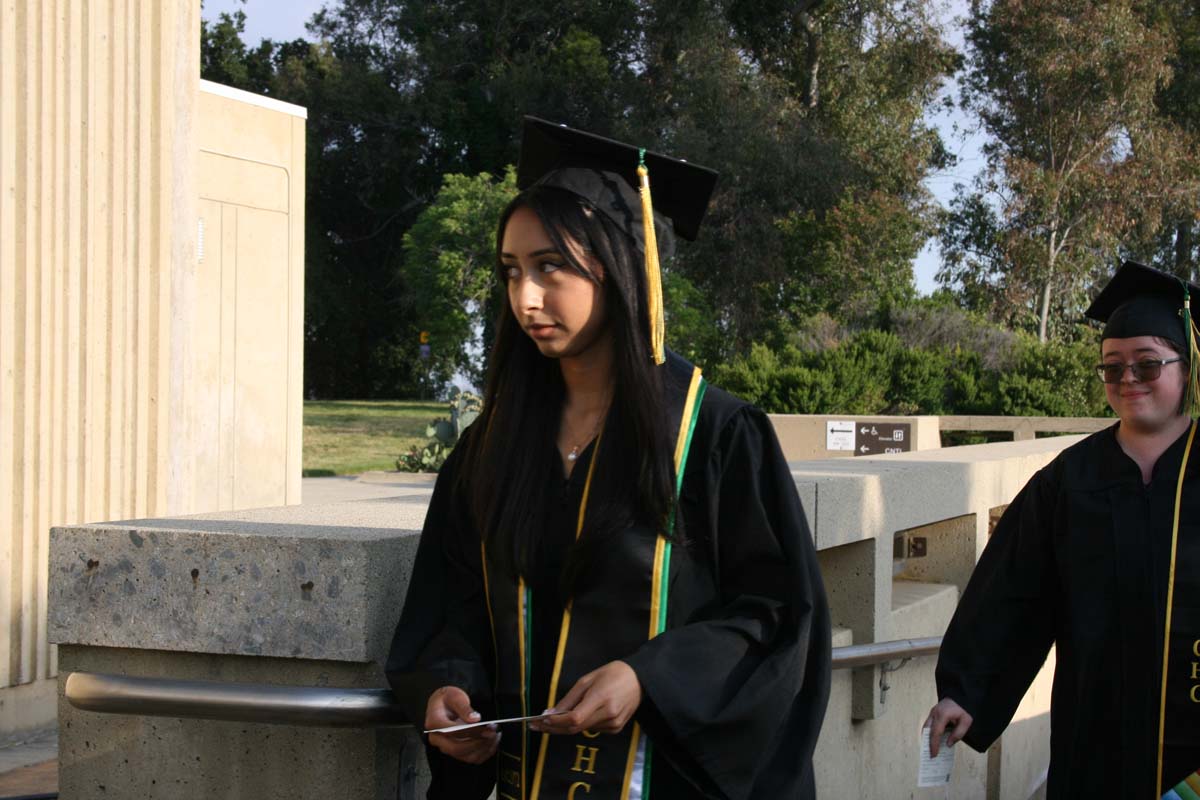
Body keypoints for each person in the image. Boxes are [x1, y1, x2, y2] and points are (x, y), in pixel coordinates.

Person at [385, 117, 832, 800]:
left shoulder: (712, 436)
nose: (525, 298)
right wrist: (446, 688)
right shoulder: (492, 447)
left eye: (549, 268)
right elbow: (453, 608)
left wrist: (648, 676)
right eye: (511, 272)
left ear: (619, 267)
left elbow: (776, 615)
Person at [926, 261, 1200, 799]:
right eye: (1111, 367)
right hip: (1095, 737)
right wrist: (965, 692)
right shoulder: (1068, 483)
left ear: (1186, 368)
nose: (1127, 380)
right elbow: (1014, 595)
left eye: (1147, 366)